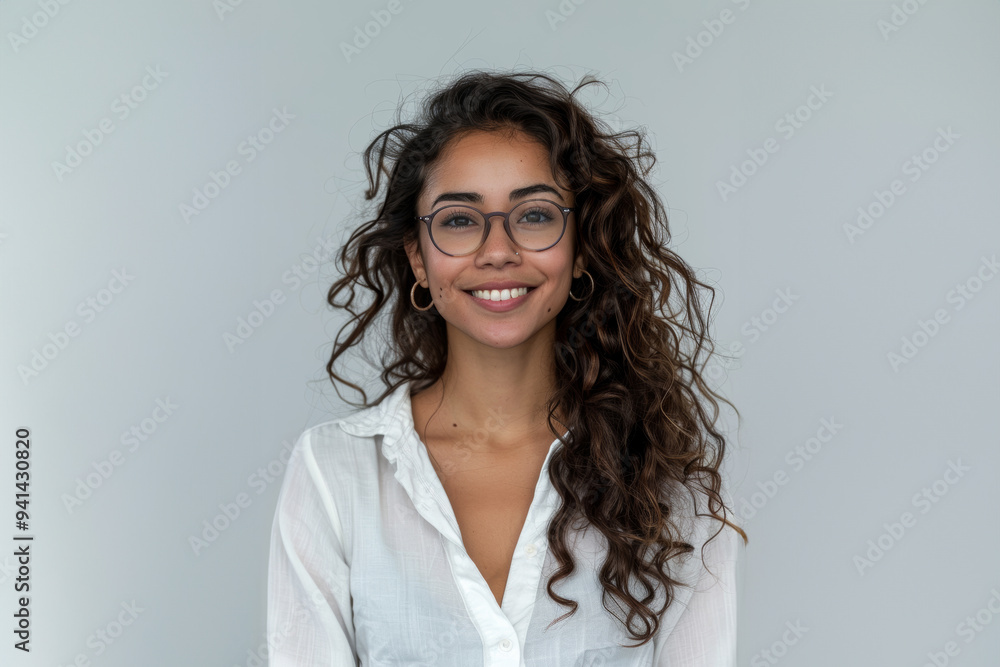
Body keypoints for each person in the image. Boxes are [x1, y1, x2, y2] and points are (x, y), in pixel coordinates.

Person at [267, 69, 747, 666]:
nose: (498, 251)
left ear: (580, 252)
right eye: (460, 220)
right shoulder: (333, 474)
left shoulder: (672, 496)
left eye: (536, 215)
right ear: (418, 259)